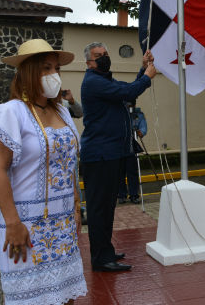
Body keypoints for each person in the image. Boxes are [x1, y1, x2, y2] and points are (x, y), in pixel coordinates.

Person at [0, 39, 87, 304]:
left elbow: (69, 164)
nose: (53, 75)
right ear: (28, 72)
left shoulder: (62, 111)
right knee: (30, 299)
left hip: (62, 223)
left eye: (56, 69)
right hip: (25, 226)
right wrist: (13, 224)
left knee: (65, 296)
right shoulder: (10, 113)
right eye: (45, 68)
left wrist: (76, 209)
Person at [80, 42, 156, 272]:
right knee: (99, 209)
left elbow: (126, 90)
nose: (104, 58)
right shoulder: (93, 82)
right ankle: (101, 258)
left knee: (106, 207)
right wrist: (148, 77)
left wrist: (143, 70)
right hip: (100, 155)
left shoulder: (106, 81)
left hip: (111, 154)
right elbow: (128, 92)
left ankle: (106, 251)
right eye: (98, 56)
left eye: (105, 54)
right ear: (88, 62)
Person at [118, 104, 147, 205]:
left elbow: (143, 129)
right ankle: (121, 195)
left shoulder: (137, 114)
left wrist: (141, 132)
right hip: (119, 147)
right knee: (119, 173)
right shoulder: (117, 112)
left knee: (132, 172)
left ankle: (134, 195)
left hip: (131, 148)